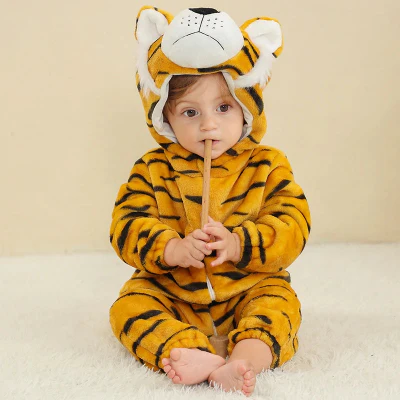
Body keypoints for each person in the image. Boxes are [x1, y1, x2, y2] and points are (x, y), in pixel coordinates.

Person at [109, 6, 311, 397]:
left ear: (247, 107)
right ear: (164, 117)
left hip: (248, 286)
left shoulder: (268, 164)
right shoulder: (152, 168)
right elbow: (125, 224)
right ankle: (187, 349)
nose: (208, 124)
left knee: (278, 305)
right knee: (128, 307)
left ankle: (246, 358)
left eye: (223, 107)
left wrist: (239, 243)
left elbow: (293, 223)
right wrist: (170, 249)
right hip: (174, 290)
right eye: (190, 112)